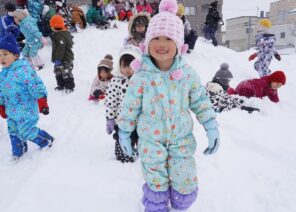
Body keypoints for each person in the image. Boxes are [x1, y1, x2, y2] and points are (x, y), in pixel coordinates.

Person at [117, 0, 220, 211]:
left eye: (168, 38)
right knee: (155, 179)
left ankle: (181, 203)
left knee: (184, 178)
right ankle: (156, 206)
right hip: (150, 140)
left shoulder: (188, 74)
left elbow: (200, 101)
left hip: (181, 139)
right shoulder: (141, 77)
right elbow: (129, 107)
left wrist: (210, 125)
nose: (161, 43)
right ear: (147, 43)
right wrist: (124, 132)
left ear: (179, 44)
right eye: (155, 38)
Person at [0, 26, 53, 160]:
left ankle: (46, 141)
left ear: (16, 55)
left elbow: (36, 85)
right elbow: (1, 91)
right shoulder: (3, 74)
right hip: (11, 111)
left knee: (27, 131)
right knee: (13, 132)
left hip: (26, 110)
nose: (2, 58)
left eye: (5, 54)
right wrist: (1, 105)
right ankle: (18, 153)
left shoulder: (23, 70)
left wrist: (42, 101)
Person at [105, 45, 142, 163]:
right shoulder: (116, 81)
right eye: (124, 66)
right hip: (122, 120)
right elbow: (111, 101)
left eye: (130, 66)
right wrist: (110, 118)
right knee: (122, 139)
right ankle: (124, 156)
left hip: (140, 120)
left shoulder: (142, 80)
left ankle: (139, 152)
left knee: (139, 138)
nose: (127, 69)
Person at [50, 15, 75, 93]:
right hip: (60, 58)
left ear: (54, 26)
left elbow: (61, 49)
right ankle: (61, 85)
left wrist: (58, 59)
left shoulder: (60, 36)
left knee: (66, 72)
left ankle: (70, 87)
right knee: (58, 71)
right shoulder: (59, 34)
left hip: (65, 58)